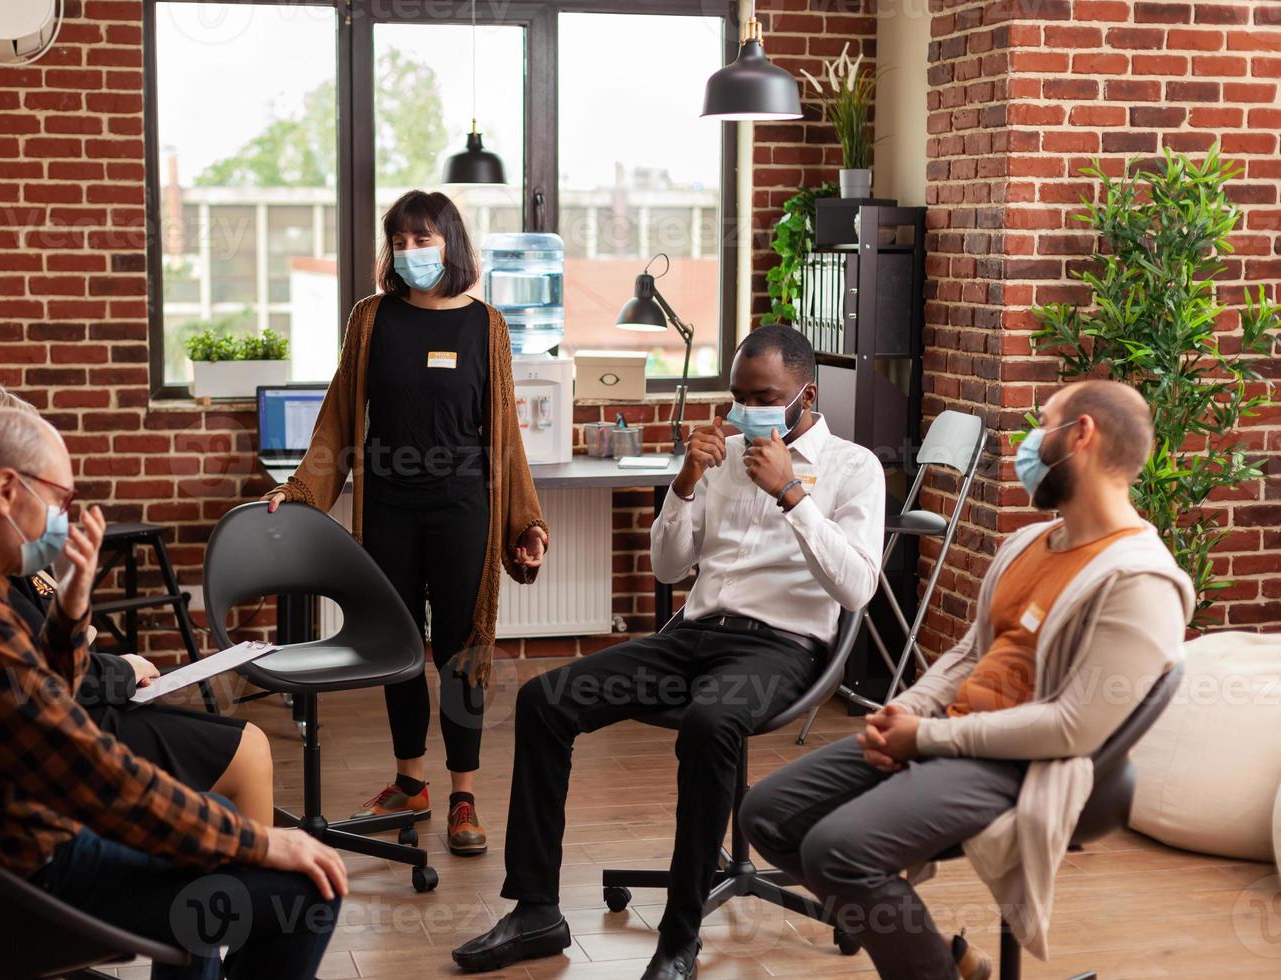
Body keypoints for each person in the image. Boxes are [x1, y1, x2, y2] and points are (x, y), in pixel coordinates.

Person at [0, 408, 345, 979]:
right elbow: (92, 775)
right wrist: (262, 845)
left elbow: (39, 702)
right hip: (16, 887)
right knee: (304, 886)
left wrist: (68, 611)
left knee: (214, 824)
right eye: (59, 500)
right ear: (4, 490)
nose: (63, 520)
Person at [452, 324, 885, 980]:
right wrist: (685, 481)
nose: (745, 412)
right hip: (691, 636)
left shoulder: (855, 467)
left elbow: (855, 587)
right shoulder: (722, 459)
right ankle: (537, 910)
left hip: (781, 649)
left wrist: (792, 493)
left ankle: (679, 938)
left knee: (712, 721)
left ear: (806, 396)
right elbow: (666, 568)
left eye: (763, 396)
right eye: (736, 397)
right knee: (546, 700)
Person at [738, 379, 1196, 980]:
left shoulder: (1140, 580)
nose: (1027, 444)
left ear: (1082, 435)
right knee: (767, 812)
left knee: (840, 850)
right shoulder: (1031, 541)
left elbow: (1072, 728)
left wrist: (925, 741)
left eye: (1044, 424)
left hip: (1026, 764)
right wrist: (908, 711)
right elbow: (968, 651)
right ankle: (942, 961)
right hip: (948, 733)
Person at [264, 190, 547, 856]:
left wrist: (524, 521)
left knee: (462, 654)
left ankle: (464, 796)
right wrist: (302, 491)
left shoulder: (487, 326)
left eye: (424, 239)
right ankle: (409, 783)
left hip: (462, 512)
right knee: (397, 648)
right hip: (388, 509)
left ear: (451, 243)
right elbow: (338, 416)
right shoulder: (371, 320)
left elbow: (503, 436)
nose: (411, 252)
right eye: (400, 241)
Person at [0, 381, 275, 825]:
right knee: (249, 748)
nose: (58, 512)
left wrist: (74, 610)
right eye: (48, 492)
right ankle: (256, 875)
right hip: (58, 747)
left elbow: (40, 667)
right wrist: (121, 669)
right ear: (4, 487)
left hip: (54, 729)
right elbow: (45, 685)